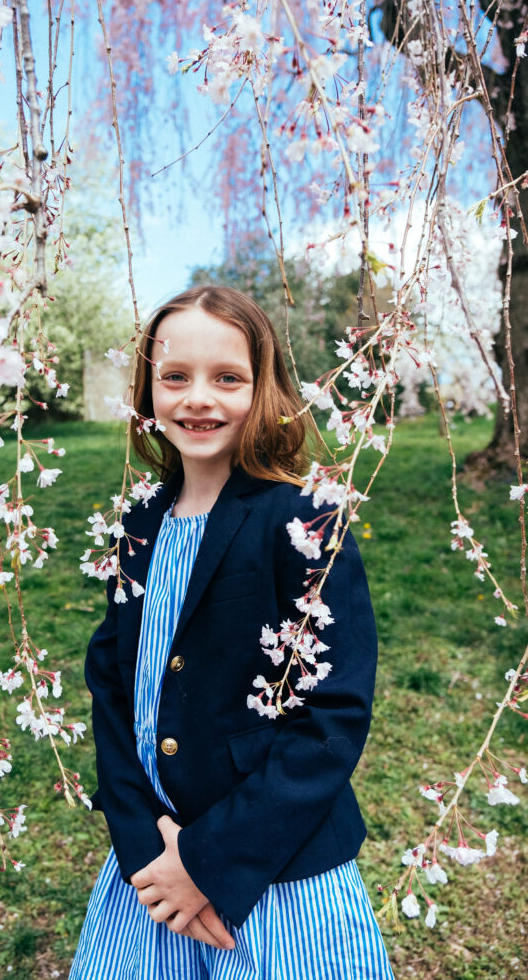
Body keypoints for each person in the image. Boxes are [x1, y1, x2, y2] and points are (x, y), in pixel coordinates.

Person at [69, 285, 394, 979]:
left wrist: (208, 861)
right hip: (154, 865)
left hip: (273, 867)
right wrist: (144, 843)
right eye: (175, 377)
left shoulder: (305, 520)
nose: (198, 399)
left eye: (227, 379)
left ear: (264, 388)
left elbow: (332, 714)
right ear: (148, 389)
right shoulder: (136, 527)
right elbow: (110, 690)